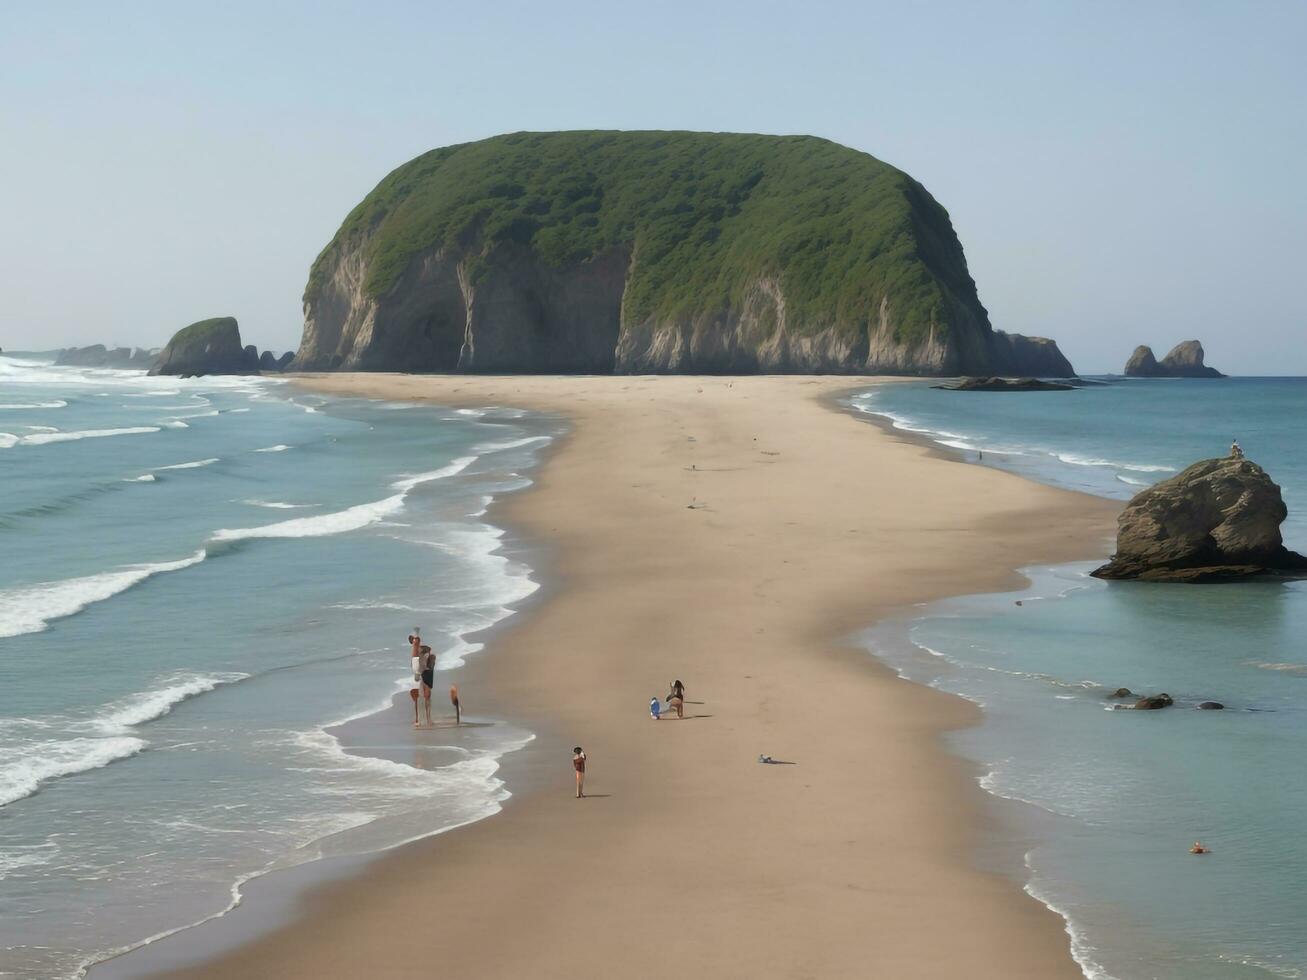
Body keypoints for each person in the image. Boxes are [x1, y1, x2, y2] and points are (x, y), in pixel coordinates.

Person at [419, 645, 435, 726]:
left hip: (427, 678)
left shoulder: (430, 658)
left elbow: (425, 667)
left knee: (428, 698)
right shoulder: (429, 658)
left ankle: (428, 718)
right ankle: (428, 719)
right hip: (427, 679)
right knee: (427, 698)